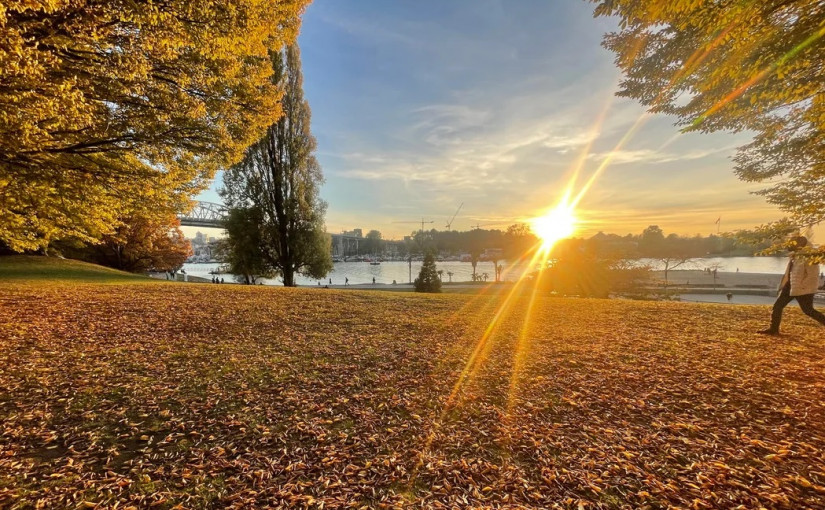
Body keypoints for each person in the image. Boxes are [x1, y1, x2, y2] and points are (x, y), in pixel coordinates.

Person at [758, 236, 825, 335]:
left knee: (808, 310)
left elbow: (812, 275)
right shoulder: (795, 256)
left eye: (793, 243)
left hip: (803, 288)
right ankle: (773, 329)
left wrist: (802, 287)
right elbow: (789, 273)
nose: (790, 245)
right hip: (790, 285)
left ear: (801, 244)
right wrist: (783, 285)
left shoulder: (810, 256)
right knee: (777, 306)